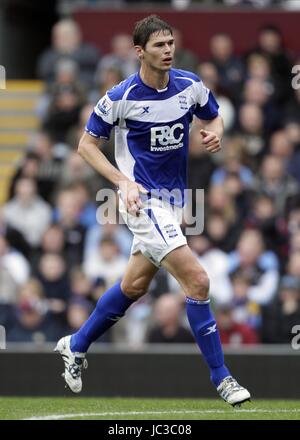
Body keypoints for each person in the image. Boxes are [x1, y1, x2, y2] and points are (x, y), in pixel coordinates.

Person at [55, 15, 250, 406]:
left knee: (134, 287)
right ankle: (223, 378)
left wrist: (216, 134)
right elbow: (86, 146)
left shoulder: (190, 86)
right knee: (197, 281)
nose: (168, 51)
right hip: (140, 201)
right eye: (160, 46)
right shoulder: (120, 97)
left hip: (175, 203)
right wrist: (122, 182)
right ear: (139, 51)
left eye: (171, 44)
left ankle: (74, 345)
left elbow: (214, 116)